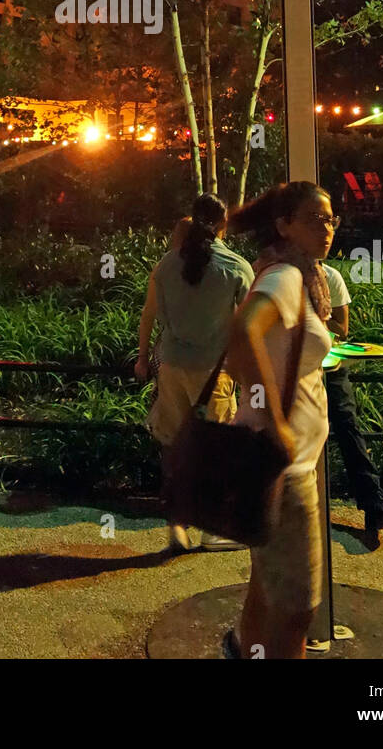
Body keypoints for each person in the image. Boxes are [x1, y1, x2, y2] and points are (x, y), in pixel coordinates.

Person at [222, 181, 337, 659]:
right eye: (315, 219)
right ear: (284, 224)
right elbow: (241, 334)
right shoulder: (286, 278)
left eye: (331, 219)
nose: (328, 228)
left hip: (274, 463)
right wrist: (276, 422)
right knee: (298, 609)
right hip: (286, 469)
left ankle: (247, 651)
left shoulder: (300, 273)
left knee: (265, 586)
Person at [135, 193, 253, 553]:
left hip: (171, 367)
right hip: (213, 372)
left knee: (174, 448)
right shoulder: (237, 267)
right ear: (224, 224)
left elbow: (156, 316)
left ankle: (177, 527)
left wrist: (143, 357)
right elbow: (250, 326)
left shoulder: (166, 265)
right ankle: (212, 529)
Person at [324, 277, 383, 530]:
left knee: (348, 426)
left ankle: (375, 505)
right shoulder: (282, 273)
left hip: (331, 366)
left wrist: (305, 317)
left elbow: (342, 327)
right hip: (294, 367)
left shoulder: (331, 277)